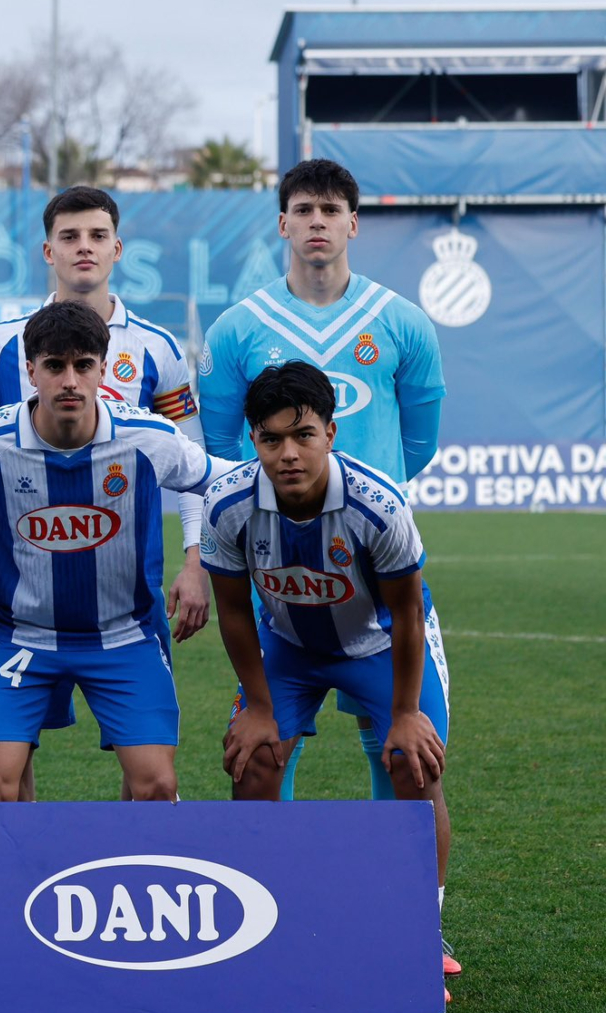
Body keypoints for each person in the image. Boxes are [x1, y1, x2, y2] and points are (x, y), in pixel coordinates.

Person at [0, 185, 210, 800]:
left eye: (97, 236)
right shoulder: (1, 345)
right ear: (48, 249)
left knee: (152, 782)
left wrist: (195, 555)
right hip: (24, 605)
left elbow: (191, 461)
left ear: (118, 248)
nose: (84, 248)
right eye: (70, 237)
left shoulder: (157, 348)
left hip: (126, 600)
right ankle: (21, 877)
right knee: (3, 777)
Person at [197, 158, 448, 815]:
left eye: (331, 211)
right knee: (265, 746)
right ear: (283, 222)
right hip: (277, 563)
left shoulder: (402, 322)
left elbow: (419, 443)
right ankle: (264, 901)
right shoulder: (238, 329)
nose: (317, 222)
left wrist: (366, 503)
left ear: (353, 224)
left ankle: (411, 910)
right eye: (304, 210)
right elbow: (221, 448)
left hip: (379, 556)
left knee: (401, 750)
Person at [203, 362, 452, 999]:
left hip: (382, 644)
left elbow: (406, 615)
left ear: (331, 433)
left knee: (412, 763)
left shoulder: (378, 505)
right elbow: (234, 611)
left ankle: (421, 930)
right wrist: (257, 706)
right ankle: (258, 921)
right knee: (255, 759)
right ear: (253, 441)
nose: (288, 454)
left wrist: (403, 713)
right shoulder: (227, 505)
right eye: (271, 439)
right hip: (289, 646)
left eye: (303, 435)